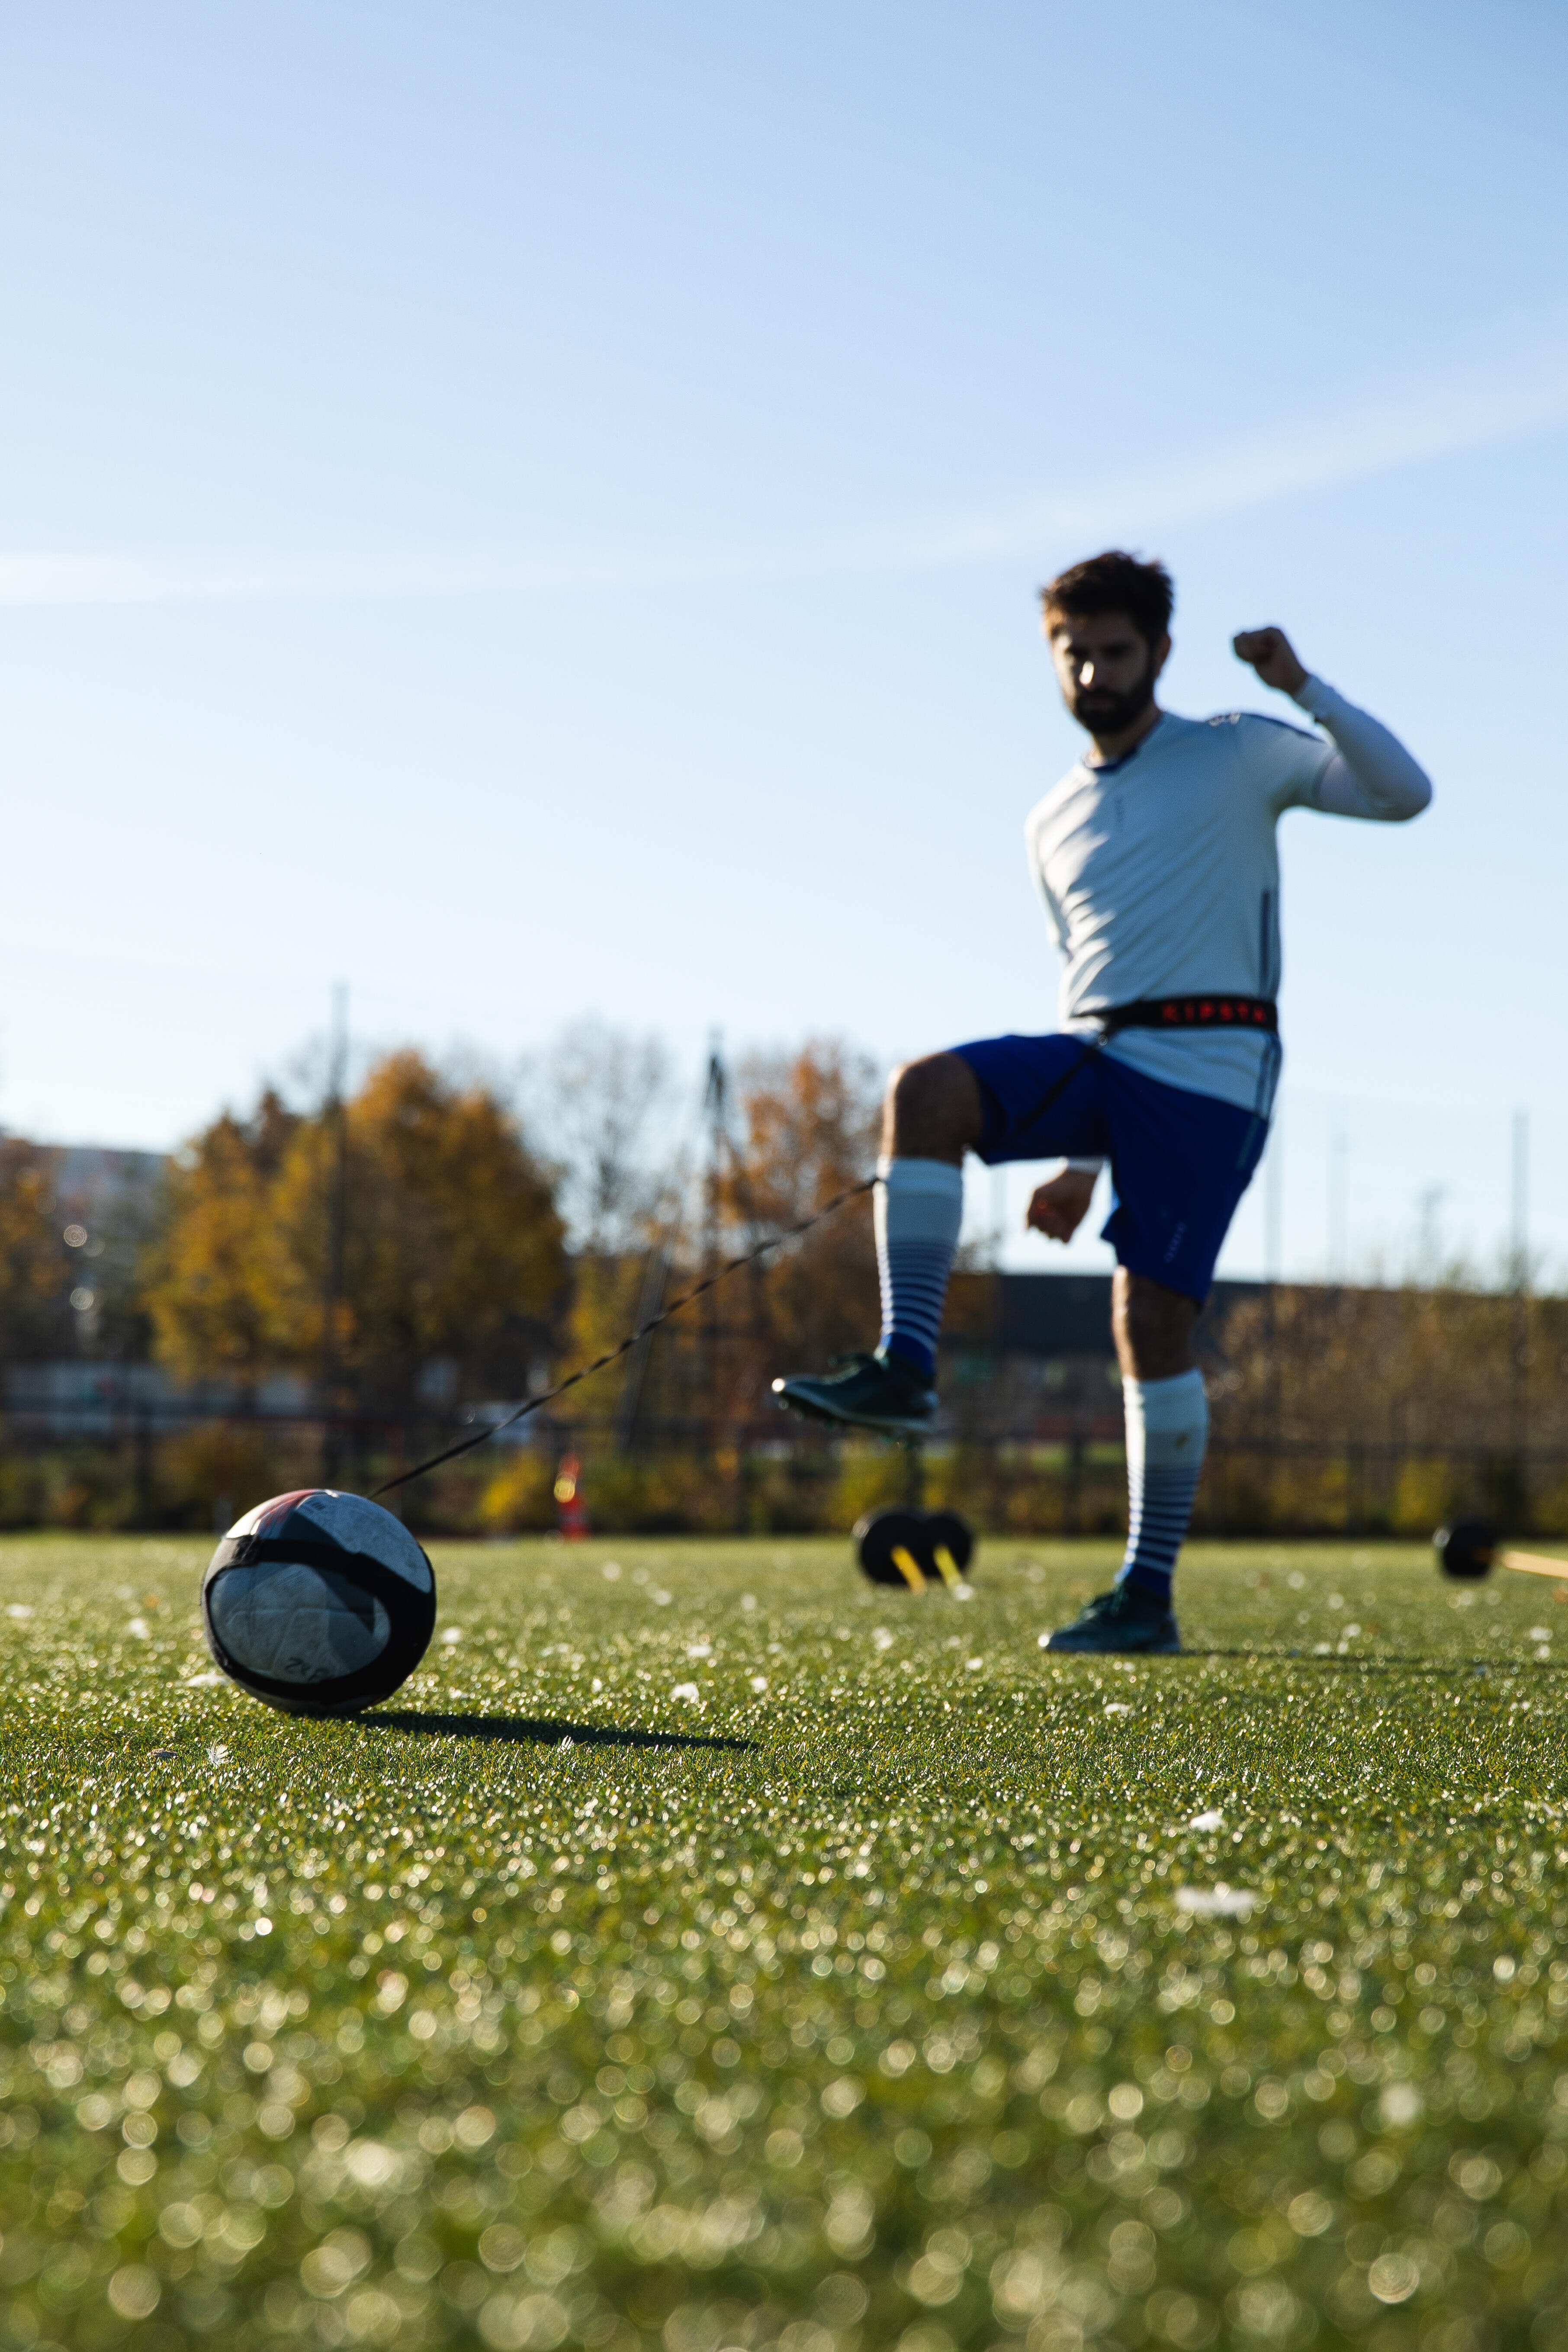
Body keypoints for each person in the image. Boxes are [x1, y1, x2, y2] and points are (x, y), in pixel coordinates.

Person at [773, 550, 1432, 1653]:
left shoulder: (1237, 752)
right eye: (1071, 653)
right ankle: (908, 1365)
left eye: (1114, 651)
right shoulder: (1050, 820)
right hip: (1103, 1059)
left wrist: (1304, 689)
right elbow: (1086, 988)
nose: (1091, 672)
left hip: (1217, 1067)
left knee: (1150, 1323)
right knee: (926, 1093)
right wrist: (1079, 1158)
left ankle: (1146, 1594)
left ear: (1160, 652)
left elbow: (1402, 796)